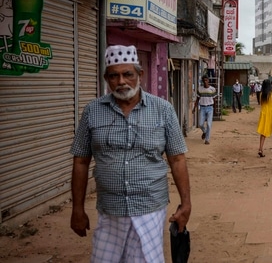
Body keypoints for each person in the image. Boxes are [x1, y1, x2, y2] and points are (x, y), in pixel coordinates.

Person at [69, 45, 191, 262]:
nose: (121, 81)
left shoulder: (163, 110)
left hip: (149, 207)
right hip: (110, 210)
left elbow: (177, 158)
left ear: (140, 75)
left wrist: (186, 203)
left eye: (128, 74)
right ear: (106, 78)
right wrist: (77, 209)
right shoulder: (92, 111)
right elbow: (80, 161)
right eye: (114, 76)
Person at [256, 79, 272, 157]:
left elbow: (261, 104)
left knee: (263, 132)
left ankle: (260, 148)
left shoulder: (262, 94)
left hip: (263, 114)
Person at [193, 76, 216, 145]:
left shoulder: (212, 89)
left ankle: (207, 139)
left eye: (206, 80)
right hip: (202, 108)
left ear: (208, 81)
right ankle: (205, 132)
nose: (205, 82)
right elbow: (197, 99)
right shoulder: (200, 89)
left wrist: (214, 109)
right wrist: (194, 108)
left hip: (210, 108)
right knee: (200, 124)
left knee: (209, 124)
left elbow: (214, 100)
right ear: (202, 81)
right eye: (204, 80)